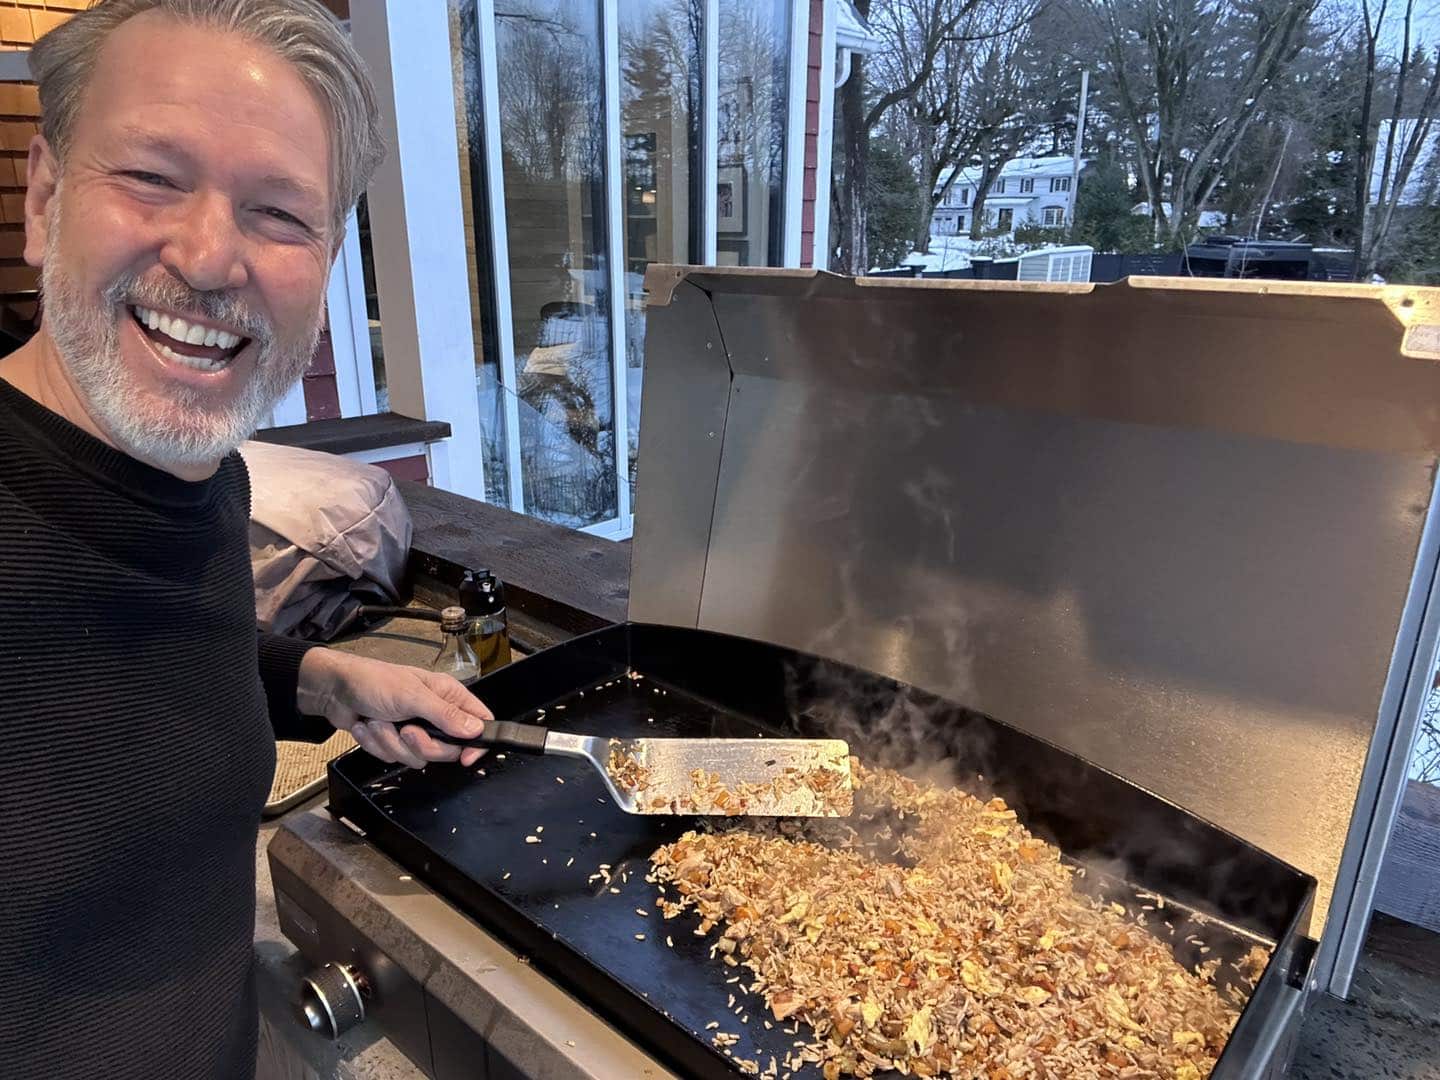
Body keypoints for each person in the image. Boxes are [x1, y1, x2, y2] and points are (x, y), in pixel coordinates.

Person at [0, 3, 487, 1077]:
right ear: (43, 198)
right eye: (151, 177)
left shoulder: (194, 477)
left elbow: (151, 660)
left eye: (278, 213)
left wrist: (319, 680)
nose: (212, 256)